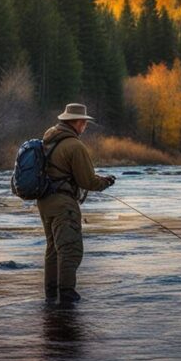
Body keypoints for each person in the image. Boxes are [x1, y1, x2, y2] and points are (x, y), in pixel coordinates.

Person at [38, 103, 115, 307]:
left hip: (45, 202)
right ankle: (67, 297)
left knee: (53, 249)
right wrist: (105, 182)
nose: (85, 127)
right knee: (70, 249)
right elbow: (87, 181)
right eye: (84, 123)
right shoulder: (75, 145)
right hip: (64, 204)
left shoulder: (49, 139)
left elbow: (64, 172)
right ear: (77, 122)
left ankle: (51, 296)